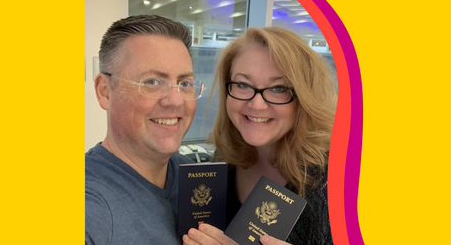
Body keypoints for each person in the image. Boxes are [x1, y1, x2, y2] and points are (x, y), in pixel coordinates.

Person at [183, 27, 337, 245]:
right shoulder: (224, 159)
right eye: (243, 85)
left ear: (304, 98)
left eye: (278, 89)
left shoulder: (339, 179)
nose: (256, 104)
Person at [86, 15, 206, 245]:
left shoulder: (192, 175)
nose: (175, 101)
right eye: (152, 82)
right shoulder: (91, 200)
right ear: (104, 91)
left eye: (184, 84)